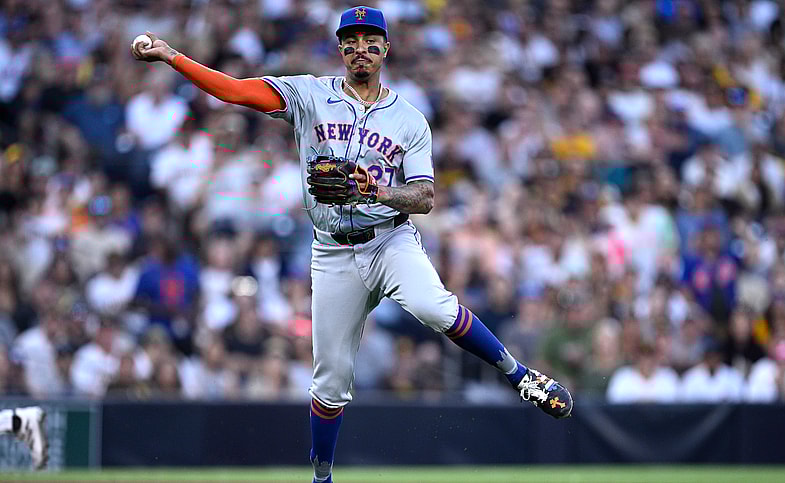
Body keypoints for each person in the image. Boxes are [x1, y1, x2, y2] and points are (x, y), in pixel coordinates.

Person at [132, 5, 572, 483]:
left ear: (386, 48)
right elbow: (236, 91)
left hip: (389, 239)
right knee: (330, 382)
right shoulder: (309, 94)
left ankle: (519, 375)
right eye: (351, 40)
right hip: (333, 250)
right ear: (340, 49)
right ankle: (323, 479)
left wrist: (376, 190)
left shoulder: (408, 119)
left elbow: (424, 196)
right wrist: (173, 56)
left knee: (435, 307)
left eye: (370, 39)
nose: (360, 47)